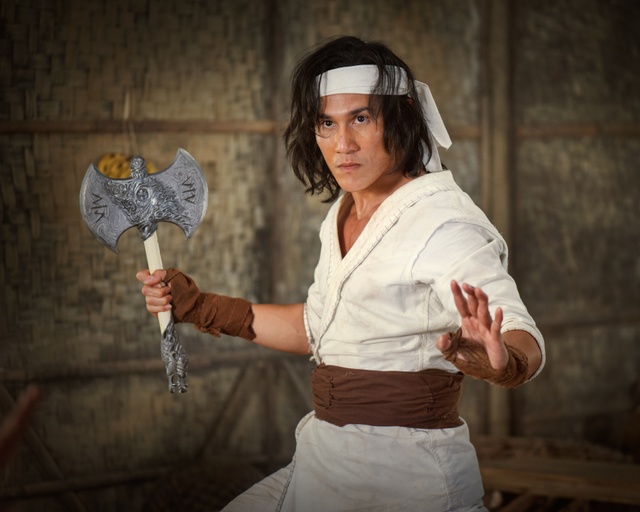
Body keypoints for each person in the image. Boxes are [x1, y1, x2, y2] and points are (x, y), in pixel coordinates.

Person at [137, 35, 545, 512]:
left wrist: (502, 361)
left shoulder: (444, 223)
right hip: (325, 458)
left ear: (403, 117)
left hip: (407, 476)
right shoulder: (344, 212)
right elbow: (318, 327)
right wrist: (199, 306)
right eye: (327, 123)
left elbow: (522, 334)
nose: (342, 144)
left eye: (361, 119)